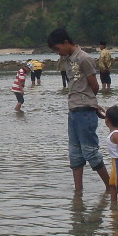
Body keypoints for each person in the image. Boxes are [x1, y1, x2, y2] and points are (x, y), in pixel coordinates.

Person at [47, 27, 109, 191]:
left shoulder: (84, 58)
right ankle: (78, 192)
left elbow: (94, 86)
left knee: (90, 152)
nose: (57, 52)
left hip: (85, 112)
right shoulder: (67, 60)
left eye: (57, 48)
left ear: (66, 42)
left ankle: (111, 187)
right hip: (73, 111)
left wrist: (91, 103)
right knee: (75, 154)